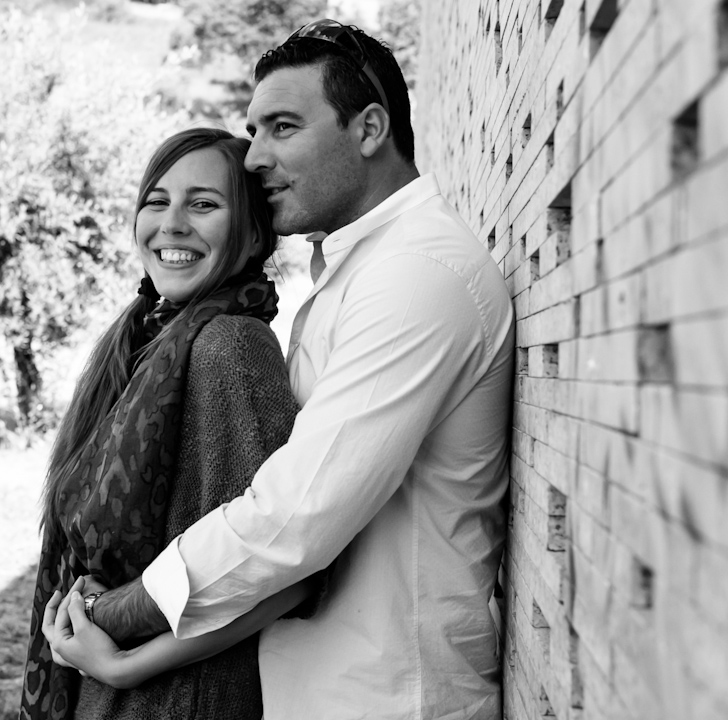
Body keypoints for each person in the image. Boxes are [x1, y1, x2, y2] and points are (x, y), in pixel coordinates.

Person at [49, 19, 516, 720]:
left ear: (369, 129)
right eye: (253, 128)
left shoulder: (417, 274)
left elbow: (293, 516)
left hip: (385, 696)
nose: (255, 156)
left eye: (283, 127)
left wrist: (118, 615)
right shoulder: (354, 276)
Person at [22, 127, 310, 719]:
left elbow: (282, 573)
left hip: (178, 700)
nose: (172, 224)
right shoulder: (145, 342)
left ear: (253, 231)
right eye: (157, 201)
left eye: (203, 204)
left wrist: (126, 664)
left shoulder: (229, 348)